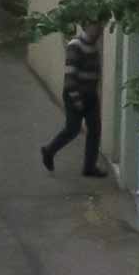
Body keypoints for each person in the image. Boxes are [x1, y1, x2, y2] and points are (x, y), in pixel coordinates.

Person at [40, 22, 105, 180]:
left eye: (100, 27)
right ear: (86, 26)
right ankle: (49, 150)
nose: (99, 29)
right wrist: (77, 100)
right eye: (96, 26)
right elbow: (70, 76)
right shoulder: (75, 45)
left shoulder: (94, 46)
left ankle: (89, 167)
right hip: (74, 94)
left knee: (95, 130)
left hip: (90, 95)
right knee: (72, 129)